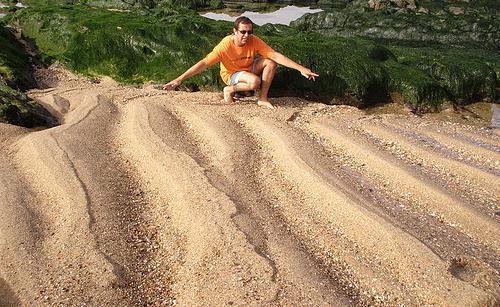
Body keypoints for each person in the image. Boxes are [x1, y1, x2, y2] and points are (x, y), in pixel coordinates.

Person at [163, 16, 319, 109]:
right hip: (231, 74)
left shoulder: (253, 40)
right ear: (235, 31)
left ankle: (263, 99)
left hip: (248, 67)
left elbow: (275, 55)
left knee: (270, 63)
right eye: (243, 32)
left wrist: (301, 68)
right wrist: (179, 79)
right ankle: (229, 90)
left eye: (249, 32)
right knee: (254, 81)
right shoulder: (225, 45)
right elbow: (204, 63)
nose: (246, 35)